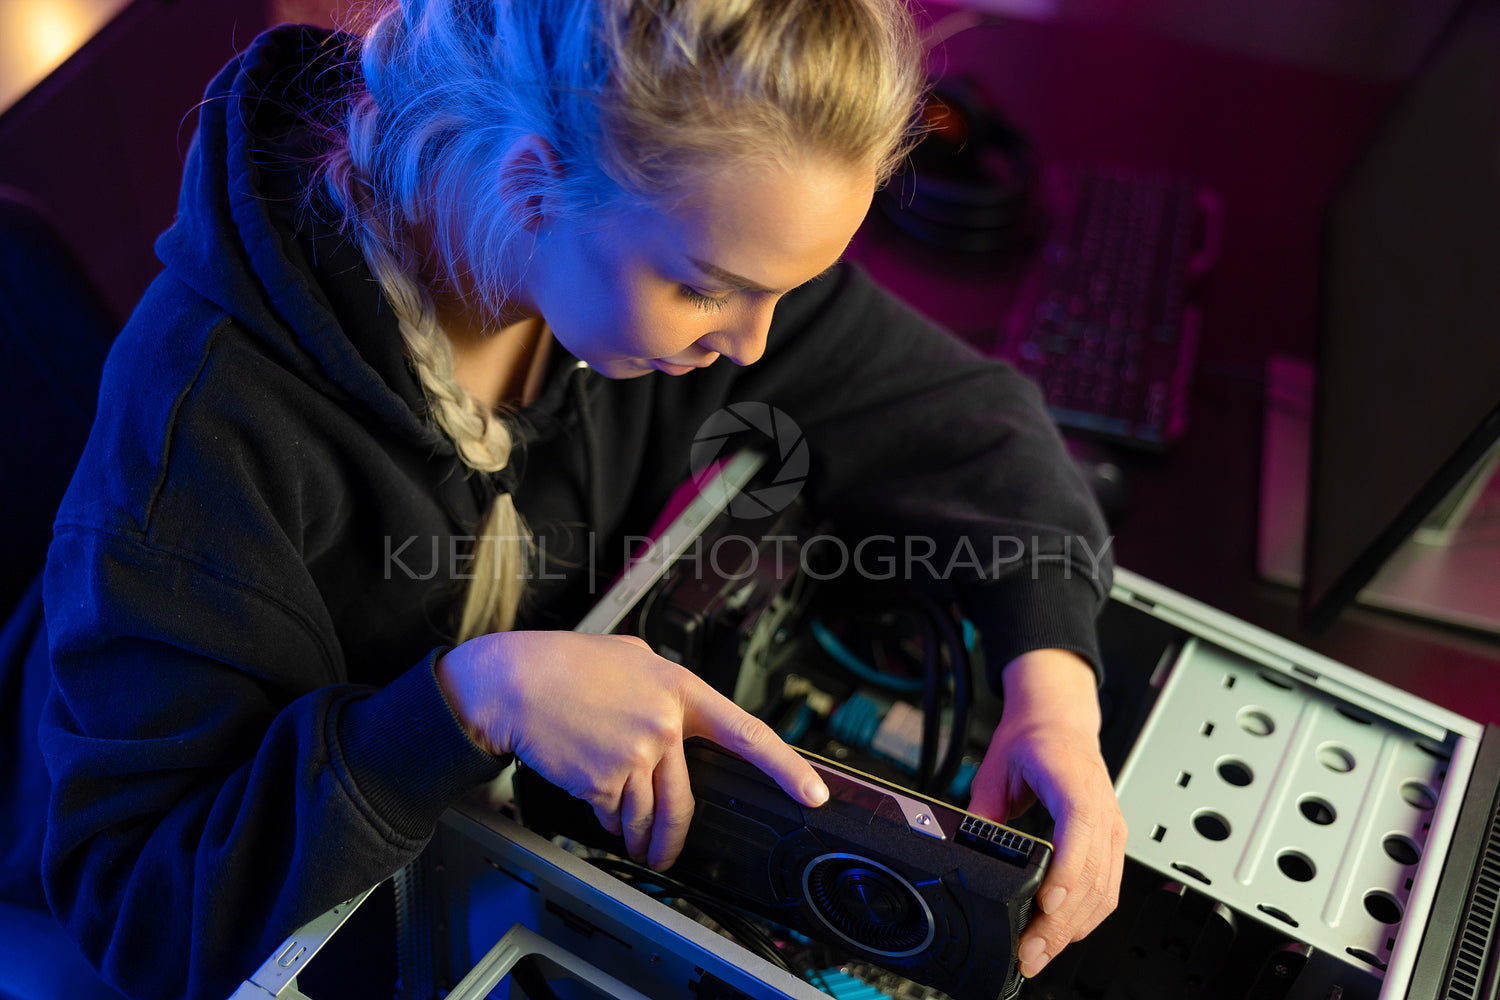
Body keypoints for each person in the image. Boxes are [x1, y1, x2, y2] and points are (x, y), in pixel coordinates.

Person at [2, 1, 1127, 997]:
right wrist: (469, 699)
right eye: (707, 290)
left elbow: (970, 418)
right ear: (530, 185)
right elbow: (139, 906)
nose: (753, 344)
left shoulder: (638, 241)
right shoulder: (209, 432)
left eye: (783, 290)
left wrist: (1055, 700)